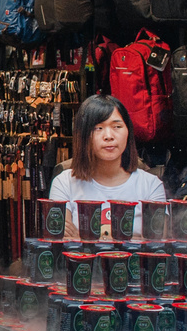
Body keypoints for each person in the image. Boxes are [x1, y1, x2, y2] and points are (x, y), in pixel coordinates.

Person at [47, 95, 167, 240]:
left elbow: (156, 244)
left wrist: (87, 236)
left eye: (117, 126)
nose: (109, 136)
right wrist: (132, 237)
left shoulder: (151, 185)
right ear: (83, 135)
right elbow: (61, 238)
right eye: (98, 128)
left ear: (128, 131)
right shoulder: (64, 183)